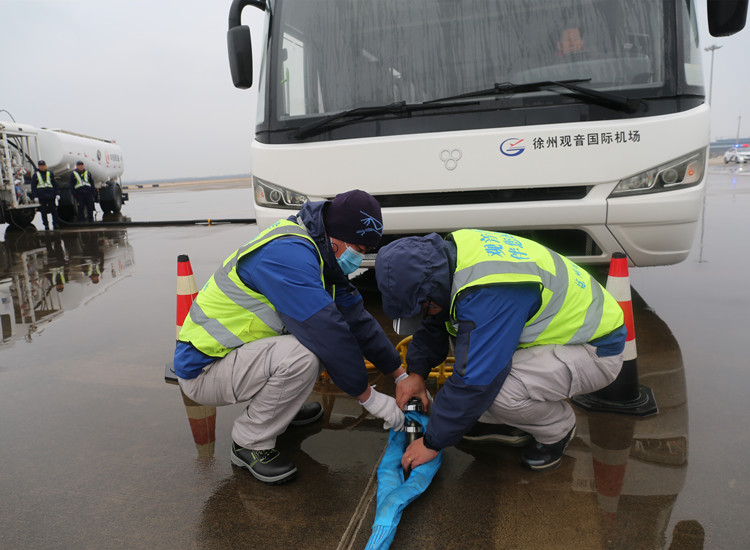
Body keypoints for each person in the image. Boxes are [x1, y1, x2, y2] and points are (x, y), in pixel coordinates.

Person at [174, 189, 407, 485]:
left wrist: (399, 375)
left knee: (310, 347)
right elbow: (329, 333)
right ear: (337, 239)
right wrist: (369, 398)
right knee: (306, 353)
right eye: (359, 249)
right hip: (204, 369)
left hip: (233, 356)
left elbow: (357, 320)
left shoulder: (320, 252)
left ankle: (279, 411)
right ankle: (249, 442)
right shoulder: (288, 256)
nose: (359, 258)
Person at [374, 230, 627, 473]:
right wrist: (416, 374)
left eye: (423, 308)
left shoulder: (489, 294)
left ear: (430, 295)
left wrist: (431, 443)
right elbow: (434, 320)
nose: (424, 314)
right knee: (466, 344)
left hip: (596, 350)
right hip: (563, 335)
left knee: (496, 389)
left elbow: (477, 380)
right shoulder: (449, 259)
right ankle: (511, 420)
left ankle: (558, 428)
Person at [30, 160, 60, 230]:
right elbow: (33, 187)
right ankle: (46, 224)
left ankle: (55, 223)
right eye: (40, 166)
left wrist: (57, 193)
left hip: (51, 195)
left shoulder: (50, 173)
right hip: (42, 196)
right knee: (43, 212)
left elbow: (55, 184)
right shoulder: (35, 175)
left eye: (43, 165)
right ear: (38, 166)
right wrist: (35, 196)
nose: (42, 167)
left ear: (45, 166)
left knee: (54, 210)